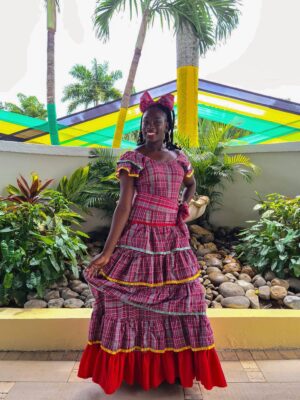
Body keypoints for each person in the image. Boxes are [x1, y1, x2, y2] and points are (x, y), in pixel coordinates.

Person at [77, 90, 227, 395]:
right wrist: (108, 251)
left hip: (173, 243)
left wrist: (184, 204)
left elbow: (192, 183)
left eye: (157, 121)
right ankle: (133, 371)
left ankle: (173, 370)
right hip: (138, 240)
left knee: (189, 301)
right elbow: (123, 205)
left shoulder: (180, 158)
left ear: (167, 125)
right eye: (147, 121)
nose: (151, 126)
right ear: (141, 125)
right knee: (126, 303)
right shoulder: (133, 159)